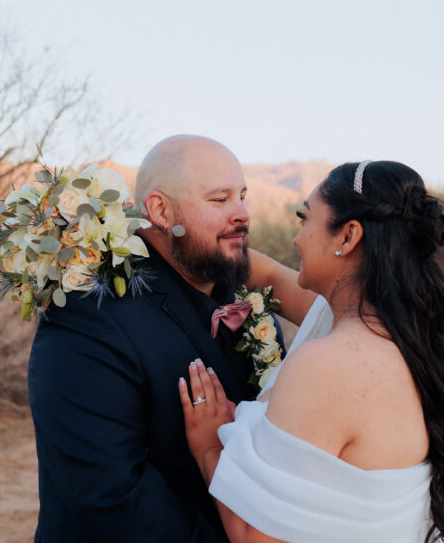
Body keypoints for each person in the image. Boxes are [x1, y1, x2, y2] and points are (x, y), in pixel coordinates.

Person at [178, 160, 444, 543]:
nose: (297, 238)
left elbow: (258, 537)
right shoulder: (400, 328)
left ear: (348, 236)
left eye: (305, 219)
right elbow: (268, 275)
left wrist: (207, 444)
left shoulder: (329, 363)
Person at [27, 135, 285, 542]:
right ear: (161, 210)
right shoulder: (89, 315)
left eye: (242, 196)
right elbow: (110, 496)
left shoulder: (246, 304)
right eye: (220, 200)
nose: (242, 214)